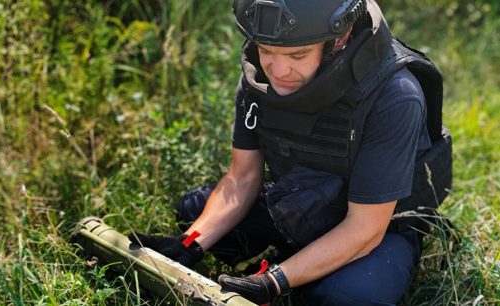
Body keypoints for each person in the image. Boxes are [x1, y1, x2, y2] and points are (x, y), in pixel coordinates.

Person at [129, 0, 452, 305]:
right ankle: (301, 263)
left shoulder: (394, 96)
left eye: (298, 56)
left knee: (350, 297)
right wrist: (189, 243)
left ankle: (307, 272)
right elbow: (242, 176)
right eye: (267, 50)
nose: (278, 69)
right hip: (300, 203)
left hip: (374, 229)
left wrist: (274, 282)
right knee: (193, 211)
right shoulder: (259, 76)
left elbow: (365, 229)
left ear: (340, 39)